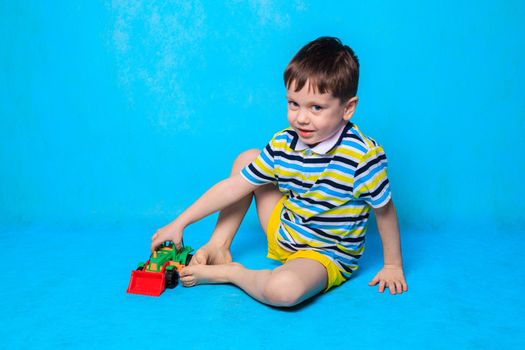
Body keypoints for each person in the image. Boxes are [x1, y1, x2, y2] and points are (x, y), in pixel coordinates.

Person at [150, 36, 408, 307]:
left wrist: (392, 265)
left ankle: (232, 273)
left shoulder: (361, 157)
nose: (301, 117)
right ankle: (219, 245)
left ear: (348, 108)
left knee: (283, 291)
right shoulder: (284, 143)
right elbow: (233, 187)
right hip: (286, 227)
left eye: (316, 107)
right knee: (248, 159)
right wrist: (179, 222)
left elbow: (385, 211)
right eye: (293, 104)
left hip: (323, 254)